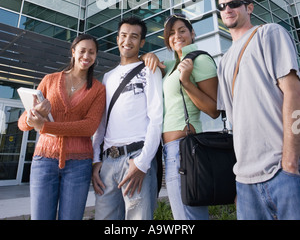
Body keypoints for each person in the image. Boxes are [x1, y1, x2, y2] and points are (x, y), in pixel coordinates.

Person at [217, 0, 300, 220]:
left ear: (249, 8)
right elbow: (236, 123)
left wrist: (291, 162)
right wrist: (240, 180)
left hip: (282, 171)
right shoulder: (223, 62)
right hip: (245, 182)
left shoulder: (268, 33)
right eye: (222, 6)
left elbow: (294, 94)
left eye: (234, 4)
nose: (228, 9)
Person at [18, 34, 106, 220]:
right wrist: (34, 115)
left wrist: (46, 126)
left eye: (92, 52)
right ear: (73, 52)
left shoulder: (98, 89)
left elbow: (89, 127)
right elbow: (22, 123)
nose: (86, 56)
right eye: (82, 51)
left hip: (79, 164)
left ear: (96, 56)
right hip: (44, 161)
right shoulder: (50, 80)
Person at [92, 16, 163, 220]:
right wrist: (96, 160)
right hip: (108, 162)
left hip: (136, 157)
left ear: (141, 43)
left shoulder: (150, 69)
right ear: (117, 39)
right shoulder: (108, 77)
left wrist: (142, 163)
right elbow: (102, 123)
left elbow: (156, 118)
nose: (127, 41)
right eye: (123, 35)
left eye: (134, 37)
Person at [161, 14, 219, 220]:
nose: (177, 36)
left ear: (192, 33)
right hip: (170, 151)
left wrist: (186, 82)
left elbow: (213, 110)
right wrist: (145, 57)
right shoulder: (171, 66)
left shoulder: (199, 59)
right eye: (171, 33)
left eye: (182, 30)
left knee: (188, 216)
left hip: (185, 149)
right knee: (183, 215)